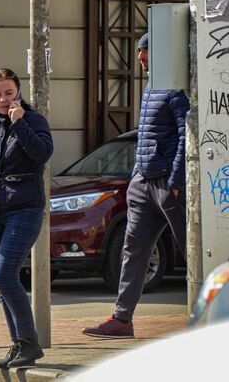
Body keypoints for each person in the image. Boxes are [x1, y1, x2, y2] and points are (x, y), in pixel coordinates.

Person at [83, 33, 188, 339]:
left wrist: (175, 182)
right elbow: (145, 136)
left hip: (167, 184)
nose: (140, 58)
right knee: (133, 251)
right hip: (143, 182)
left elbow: (186, 136)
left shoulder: (176, 90)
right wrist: (136, 176)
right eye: (140, 51)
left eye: (146, 51)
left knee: (192, 250)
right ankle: (121, 319)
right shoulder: (150, 87)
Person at [0, 68, 53, 368]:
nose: (3, 99)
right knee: (3, 282)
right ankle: (18, 345)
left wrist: (19, 124)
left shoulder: (34, 120)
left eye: (9, 93)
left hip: (25, 208)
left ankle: (29, 343)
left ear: (18, 92)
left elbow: (42, 154)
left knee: (3, 274)